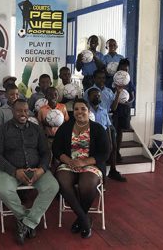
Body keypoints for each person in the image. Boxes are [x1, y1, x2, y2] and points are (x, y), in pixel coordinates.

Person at [0, 99, 59, 245]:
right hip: (10, 170)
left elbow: (46, 152)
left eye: (25, 110)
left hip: (36, 169)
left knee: (53, 186)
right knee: (3, 190)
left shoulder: (36, 129)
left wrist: (41, 169)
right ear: (12, 112)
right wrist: (14, 171)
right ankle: (26, 219)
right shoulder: (2, 130)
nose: (23, 113)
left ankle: (27, 223)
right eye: (19, 110)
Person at [52, 99, 111, 238]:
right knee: (63, 181)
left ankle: (80, 219)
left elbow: (105, 152)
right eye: (76, 109)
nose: (79, 112)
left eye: (83, 109)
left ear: (88, 111)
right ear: (73, 112)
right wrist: (69, 160)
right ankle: (85, 219)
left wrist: (84, 162)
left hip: (91, 164)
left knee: (87, 184)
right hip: (69, 163)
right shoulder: (65, 127)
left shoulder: (97, 128)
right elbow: (56, 148)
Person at [87, 88, 126, 182]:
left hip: (103, 135)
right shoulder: (86, 110)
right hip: (91, 137)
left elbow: (108, 126)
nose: (97, 97)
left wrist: (110, 140)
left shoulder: (103, 110)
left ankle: (105, 177)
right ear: (88, 97)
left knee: (105, 155)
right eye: (94, 95)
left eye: (98, 95)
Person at [112, 58, 135, 163]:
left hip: (125, 109)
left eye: (126, 70)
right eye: (122, 69)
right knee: (113, 131)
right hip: (114, 110)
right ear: (118, 70)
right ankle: (111, 153)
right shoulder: (113, 81)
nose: (124, 72)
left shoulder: (129, 81)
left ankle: (117, 152)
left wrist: (129, 102)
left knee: (120, 131)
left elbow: (133, 97)